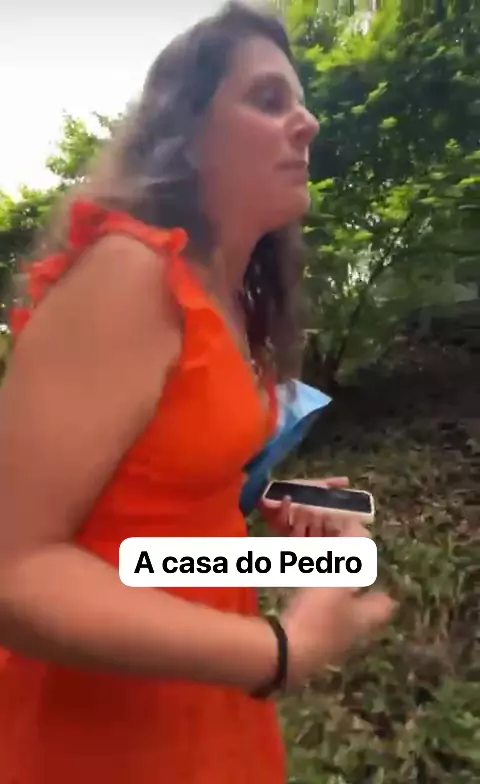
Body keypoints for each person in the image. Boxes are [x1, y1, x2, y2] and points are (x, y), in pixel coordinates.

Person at [0, 3, 396, 783]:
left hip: (201, 695)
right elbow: (14, 570)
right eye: (268, 99)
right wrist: (285, 649)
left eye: (300, 101)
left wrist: (258, 498)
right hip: (100, 736)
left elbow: (149, 500)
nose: (308, 123)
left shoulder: (230, 301)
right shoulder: (129, 275)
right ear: (187, 135)